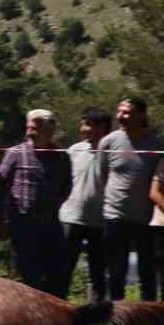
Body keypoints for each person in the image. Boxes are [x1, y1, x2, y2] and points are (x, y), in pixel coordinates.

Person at [0, 109, 73, 294]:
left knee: (57, 271)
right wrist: (1, 220)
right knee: (28, 273)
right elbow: (0, 188)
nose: (30, 132)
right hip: (22, 223)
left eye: (35, 128)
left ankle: (57, 314)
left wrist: (52, 205)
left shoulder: (61, 156)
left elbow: (67, 186)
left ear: (49, 130)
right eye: (28, 128)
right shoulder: (15, 153)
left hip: (50, 223)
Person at [99, 97, 159, 301]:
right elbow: (104, 173)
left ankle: (150, 317)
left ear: (141, 115)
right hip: (114, 216)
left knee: (147, 272)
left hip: (146, 219)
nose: (120, 116)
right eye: (119, 111)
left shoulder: (156, 144)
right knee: (116, 272)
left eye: (127, 112)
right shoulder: (108, 141)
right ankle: (117, 315)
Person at [59, 107, 112, 299]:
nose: (83, 128)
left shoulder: (113, 151)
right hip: (70, 217)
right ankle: (60, 306)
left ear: (102, 127)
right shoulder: (74, 150)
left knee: (97, 270)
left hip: (100, 220)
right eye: (83, 123)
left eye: (87, 124)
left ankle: (96, 309)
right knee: (64, 266)